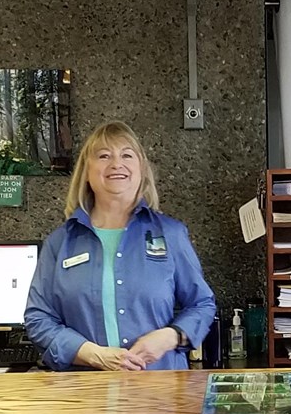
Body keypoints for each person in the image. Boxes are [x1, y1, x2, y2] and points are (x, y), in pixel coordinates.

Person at [25, 121, 217, 371]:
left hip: (159, 392)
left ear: (141, 169)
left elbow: (202, 304)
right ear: (86, 171)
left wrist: (170, 336)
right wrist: (90, 353)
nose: (116, 163)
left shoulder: (171, 234)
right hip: (86, 393)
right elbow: (38, 317)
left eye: (127, 155)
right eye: (104, 156)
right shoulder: (60, 242)